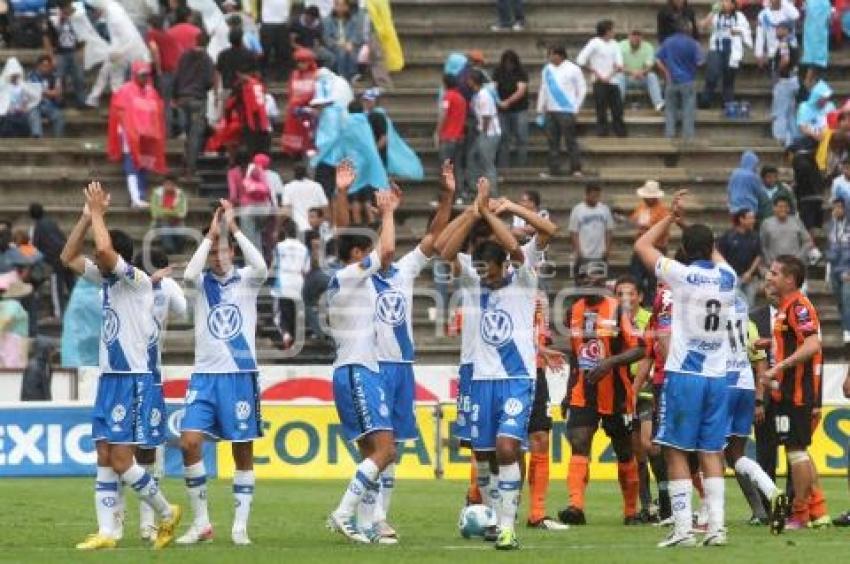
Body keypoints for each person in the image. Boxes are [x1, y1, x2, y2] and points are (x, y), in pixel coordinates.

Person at [60, 181, 181, 550]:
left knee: (121, 457)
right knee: (103, 453)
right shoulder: (106, 282)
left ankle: (165, 510)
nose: (95, 261)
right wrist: (85, 217)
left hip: (133, 379)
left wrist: (99, 214)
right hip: (109, 378)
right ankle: (108, 532)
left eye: (101, 258)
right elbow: (68, 256)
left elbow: (103, 249)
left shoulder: (136, 281)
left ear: (118, 257)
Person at [441, 177, 546, 550]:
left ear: (504, 264)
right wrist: (473, 212)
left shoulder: (524, 277)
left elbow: (533, 238)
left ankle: (507, 527)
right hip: (482, 379)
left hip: (516, 377)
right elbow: (445, 252)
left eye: (490, 269)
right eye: (480, 269)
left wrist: (492, 209)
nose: (484, 275)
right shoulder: (474, 282)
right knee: (483, 454)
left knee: (506, 448)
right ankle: (489, 515)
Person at [634, 189, 737, 547]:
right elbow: (717, 258)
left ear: (685, 251)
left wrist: (670, 217)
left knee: (676, 450)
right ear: (711, 248)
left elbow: (642, 246)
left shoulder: (680, 275)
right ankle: (717, 528)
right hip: (718, 376)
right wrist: (697, 232)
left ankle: (681, 530)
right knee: (711, 451)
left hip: (685, 375)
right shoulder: (729, 278)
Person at [177, 199, 269, 546]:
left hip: (239, 375)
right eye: (213, 252)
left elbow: (260, 264)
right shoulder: (202, 283)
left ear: (233, 250)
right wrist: (210, 236)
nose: (219, 256)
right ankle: (202, 523)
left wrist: (232, 229)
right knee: (189, 442)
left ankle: (239, 526)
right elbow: (187, 274)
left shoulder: (247, 279)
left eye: (223, 250)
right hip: (204, 376)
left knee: (241, 453)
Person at [325, 176, 398, 545]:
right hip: (357, 371)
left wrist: (340, 193)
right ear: (357, 256)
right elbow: (385, 252)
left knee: (372, 452)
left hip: (354, 371)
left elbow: (342, 234)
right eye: (362, 250)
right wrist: (387, 214)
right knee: (386, 450)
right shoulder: (349, 276)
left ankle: (368, 525)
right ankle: (342, 513)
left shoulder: (350, 278)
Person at [559, 262, 646, 526]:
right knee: (579, 441)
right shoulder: (572, 313)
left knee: (624, 451)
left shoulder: (617, 309)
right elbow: (575, 356)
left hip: (617, 394)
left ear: (602, 279)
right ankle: (576, 506)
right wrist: (567, 391)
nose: (589, 281)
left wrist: (609, 363)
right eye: (583, 277)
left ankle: (631, 511)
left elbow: (640, 349)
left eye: (594, 276)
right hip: (584, 392)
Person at [763, 255, 830, 529]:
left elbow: (812, 344)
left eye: (775, 273)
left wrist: (779, 366)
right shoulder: (786, 307)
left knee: (796, 452)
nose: (769, 276)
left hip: (798, 392)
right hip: (788, 391)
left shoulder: (799, 306)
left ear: (790, 280)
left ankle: (800, 514)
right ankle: (818, 509)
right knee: (797, 451)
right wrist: (769, 344)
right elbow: (792, 342)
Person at [135, 248, 188, 542]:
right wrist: (167, 284)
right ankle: (147, 522)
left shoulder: (126, 284)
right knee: (148, 450)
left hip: (127, 374)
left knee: (123, 448)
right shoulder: (166, 286)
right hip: (151, 374)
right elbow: (182, 310)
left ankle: (119, 522)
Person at [724, 294, 787, 532]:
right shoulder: (747, 322)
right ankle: (772, 492)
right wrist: (758, 399)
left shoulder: (707, 317)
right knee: (736, 455)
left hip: (721, 387)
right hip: (745, 387)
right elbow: (760, 364)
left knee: (708, 452)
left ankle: (709, 516)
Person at [106, 61, 167, 209]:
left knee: (144, 164)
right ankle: (135, 197)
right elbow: (119, 112)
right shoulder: (125, 91)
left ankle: (141, 194)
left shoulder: (151, 91)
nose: (145, 78)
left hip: (147, 135)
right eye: (142, 75)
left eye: (146, 75)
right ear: (134, 75)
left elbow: (157, 110)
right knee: (132, 163)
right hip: (130, 134)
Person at [84, 0, 151, 108]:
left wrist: (119, 52)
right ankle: (97, 99)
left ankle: (96, 98)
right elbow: (118, 36)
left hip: (131, 52)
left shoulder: (114, 15)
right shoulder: (112, 11)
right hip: (124, 50)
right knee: (111, 75)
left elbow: (129, 37)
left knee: (113, 76)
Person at [536, 44, 585, 178]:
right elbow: (543, 89)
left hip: (567, 110)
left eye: (552, 54)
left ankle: (576, 168)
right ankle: (553, 169)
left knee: (570, 141)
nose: (550, 57)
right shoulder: (547, 69)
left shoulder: (573, 69)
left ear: (560, 55)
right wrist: (540, 108)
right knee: (552, 142)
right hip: (551, 111)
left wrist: (576, 108)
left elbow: (581, 89)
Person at [793, 80, 834, 236]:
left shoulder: (829, 107)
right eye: (823, 98)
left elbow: (834, 121)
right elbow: (803, 126)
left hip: (826, 143)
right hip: (810, 144)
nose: (825, 101)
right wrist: (814, 134)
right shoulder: (805, 107)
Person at [173, 30, 215, 178]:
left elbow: (176, 76)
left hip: (182, 97)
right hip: (198, 99)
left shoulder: (184, 56)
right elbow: (210, 82)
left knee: (184, 132)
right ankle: (190, 168)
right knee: (195, 135)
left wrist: (175, 96)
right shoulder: (208, 60)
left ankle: (182, 161)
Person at [698, 0, 752, 109]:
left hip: (732, 50)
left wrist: (738, 31)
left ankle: (728, 104)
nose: (724, 3)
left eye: (727, 1)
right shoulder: (715, 14)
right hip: (716, 49)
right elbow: (702, 25)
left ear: (733, 5)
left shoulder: (739, 16)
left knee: (729, 79)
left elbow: (746, 31)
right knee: (712, 75)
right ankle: (705, 101)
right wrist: (712, 13)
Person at [655, 19, 704, 140]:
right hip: (688, 80)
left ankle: (669, 136)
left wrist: (666, 72)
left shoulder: (668, 42)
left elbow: (657, 59)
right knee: (688, 111)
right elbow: (700, 62)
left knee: (670, 111)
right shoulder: (694, 44)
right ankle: (688, 137)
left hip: (671, 80)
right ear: (688, 29)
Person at [577, 20, 626, 137]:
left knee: (618, 109)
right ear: (606, 31)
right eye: (612, 29)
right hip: (598, 81)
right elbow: (580, 60)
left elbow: (619, 64)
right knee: (601, 109)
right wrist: (596, 73)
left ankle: (620, 132)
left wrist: (609, 75)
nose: (614, 32)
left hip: (613, 81)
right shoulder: (594, 43)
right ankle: (602, 133)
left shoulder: (615, 44)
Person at [270, 217, 308, 350]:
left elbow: (274, 265)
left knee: (280, 313)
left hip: (283, 282)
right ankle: (293, 340)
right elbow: (306, 269)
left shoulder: (279, 247)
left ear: (284, 231)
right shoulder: (304, 248)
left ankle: (286, 336)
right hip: (298, 283)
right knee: (293, 312)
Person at [628, 180, 669, 304]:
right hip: (641, 247)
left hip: (656, 248)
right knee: (636, 277)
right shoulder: (641, 207)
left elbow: (662, 231)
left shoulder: (662, 211)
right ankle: (638, 302)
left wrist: (648, 228)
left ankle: (651, 305)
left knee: (653, 281)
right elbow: (634, 219)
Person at [29, 203, 73, 319]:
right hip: (66, 254)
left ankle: (59, 314)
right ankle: (77, 309)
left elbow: (35, 246)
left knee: (56, 287)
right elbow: (62, 237)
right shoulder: (52, 223)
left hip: (54, 260)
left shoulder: (37, 227)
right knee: (71, 284)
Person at [46, 0, 87, 109]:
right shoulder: (53, 19)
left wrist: (82, 51)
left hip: (75, 51)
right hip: (60, 52)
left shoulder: (78, 17)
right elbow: (46, 38)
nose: (69, 9)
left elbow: (84, 35)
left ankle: (81, 101)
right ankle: (59, 101)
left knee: (79, 78)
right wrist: (52, 56)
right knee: (59, 78)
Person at [146, 14, 181, 137]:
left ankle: (165, 132)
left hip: (165, 71)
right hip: (175, 71)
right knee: (171, 102)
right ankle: (175, 130)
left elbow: (154, 49)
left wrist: (158, 68)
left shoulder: (152, 34)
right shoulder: (168, 36)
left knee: (163, 104)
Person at [493, 49, 529, 168]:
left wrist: (507, 102)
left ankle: (521, 166)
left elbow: (521, 90)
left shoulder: (521, 72)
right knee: (503, 139)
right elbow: (493, 87)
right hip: (503, 111)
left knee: (522, 139)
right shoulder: (498, 72)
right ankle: (504, 167)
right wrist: (499, 102)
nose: (509, 65)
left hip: (519, 109)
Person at [718, 209, 762, 306]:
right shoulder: (728, 236)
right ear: (741, 219)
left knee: (750, 305)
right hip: (734, 277)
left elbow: (758, 255)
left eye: (753, 218)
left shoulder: (755, 236)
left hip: (750, 278)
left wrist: (749, 272)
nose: (753, 221)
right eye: (750, 218)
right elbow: (720, 255)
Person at [468, 70, 501, 195]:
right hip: (484, 132)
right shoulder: (478, 94)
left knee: (487, 163)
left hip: (489, 133)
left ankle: (493, 192)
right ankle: (476, 187)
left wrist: (484, 133)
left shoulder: (484, 95)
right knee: (473, 158)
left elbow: (486, 116)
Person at [281, 48, 318, 158]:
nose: (300, 64)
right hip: (294, 115)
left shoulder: (316, 75)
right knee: (295, 146)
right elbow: (290, 92)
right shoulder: (294, 75)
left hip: (308, 114)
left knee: (309, 144)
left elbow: (315, 94)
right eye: (298, 62)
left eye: (303, 61)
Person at [436, 74, 468, 198]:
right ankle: (459, 194)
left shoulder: (448, 97)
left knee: (445, 168)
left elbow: (443, 115)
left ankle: (445, 196)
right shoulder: (461, 98)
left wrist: (438, 132)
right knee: (458, 167)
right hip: (459, 137)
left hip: (448, 137)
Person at [768, 21, 800, 146]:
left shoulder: (784, 42)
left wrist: (777, 71)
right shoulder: (794, 41)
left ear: (786, 30)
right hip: (794, 80)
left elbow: (785, 60)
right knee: (791, 113)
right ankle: (794, 140)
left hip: (784, 81)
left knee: (779, 112)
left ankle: (780, 139)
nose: (777, 31)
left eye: (779, 29)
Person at [616, 29, 664, 112]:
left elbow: (649, 66)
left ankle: (658, 104)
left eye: (638, 35)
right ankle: (617, 105)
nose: (635, 38)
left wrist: (641, 72)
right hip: (627, 77)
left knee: (652, 76)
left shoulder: (648, 47)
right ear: (629, 36)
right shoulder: (620, 46)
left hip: (642, 77)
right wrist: (632, 72)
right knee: (619, 76)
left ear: (641, 37)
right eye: (633, 35)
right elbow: (618, 66)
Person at [569, 183, 614, 269]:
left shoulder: (604, 209)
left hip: (600, 253)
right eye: (593, 196)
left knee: (600, 278)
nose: (596, 199)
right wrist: (578, 250)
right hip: (584, 253)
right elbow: (574, 232)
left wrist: (607, 249)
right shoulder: (577, 210)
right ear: (587, 194)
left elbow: (609, 230)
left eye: (598, 196)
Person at [760, 195, 813, 265]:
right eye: (780, 207)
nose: (783, 209)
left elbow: (808, 242)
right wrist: (769, 261)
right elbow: (762, 246)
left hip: (794, 264)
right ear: (774, 208)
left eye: (786, 207)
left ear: (789, 208)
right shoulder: (766, 223)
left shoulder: (797, 221)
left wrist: (798, 257)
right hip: (775, 264)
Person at [277, 164, 328, 233]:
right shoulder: (317, 186)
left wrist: (278, 227)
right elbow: (325, 207)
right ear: (306, 173)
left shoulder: (288, 187)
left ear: (294, 174)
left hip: (298, 228)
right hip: (315, 227)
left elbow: (286, 210)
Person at [825, 198, 850, 342]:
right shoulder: (829, 226)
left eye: (840, 207)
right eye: (835, 207)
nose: (837, 210)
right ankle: (844, 324)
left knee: (847, 299)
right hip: (834, 268)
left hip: (847, 269)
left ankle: (847, 329)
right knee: (839, 300)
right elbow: (828, 247)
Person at [0, 58, 41, 138]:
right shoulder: (2, 85)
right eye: (13, 75)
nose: (15, 77)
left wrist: (24, 107)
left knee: (24, 119)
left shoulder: (22, 85)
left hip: (20, 111)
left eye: (16, 75)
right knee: (8, 121)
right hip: (7, 113)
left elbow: (31, 96)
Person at [323, 0, 363, 81]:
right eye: (337, 5)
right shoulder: (327, 20)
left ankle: (351, 75)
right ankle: (344, 77)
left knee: (350, 50)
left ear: (347, 7)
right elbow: (326, 38)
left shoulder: (353, 20)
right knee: (342, 52)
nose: (340, 8)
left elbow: (356, 35)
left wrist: (351, 43)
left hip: (349, 45)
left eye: (342, 5)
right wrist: (338, 44)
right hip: (334, 46)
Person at [754, 0, 800, 69]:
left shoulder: (787, 10)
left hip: (790, 49)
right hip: (773, 52)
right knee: (776, 76)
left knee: (792, 77)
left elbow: (796, 15)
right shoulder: (763, 14)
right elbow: (760, 35)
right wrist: (759, 53)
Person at [27, 54, 65, 138]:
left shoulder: (54, 76)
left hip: (50, 105)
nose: (46, 68)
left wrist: (48, 93)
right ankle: (38, 140)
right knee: (34, 115)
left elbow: (58, 93)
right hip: (35, 105)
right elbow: (36, 92)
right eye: (44, 65)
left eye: (48, 66)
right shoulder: (32, 75)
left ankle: (58, 141)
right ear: (38, 66)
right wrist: (51, 93)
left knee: (59, 116)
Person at [150, 174, 188, 254]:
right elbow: (155, 212)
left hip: (177, 221)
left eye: (171, 184)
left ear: (175, 185)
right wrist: (172, 212)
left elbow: (182, 213)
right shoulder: (156, 193)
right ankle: (169, 250)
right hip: (160, 221)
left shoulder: (181, 194)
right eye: (166, 184)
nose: (168, 186)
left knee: (181, 235)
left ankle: (178, 252)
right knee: (165, 225)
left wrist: (165, 211)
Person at [0, 275, 30, 369]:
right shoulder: (13, 305)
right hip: (13, 341)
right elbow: (6, 320)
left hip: (9, 339)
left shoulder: (8, 305)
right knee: (14, 368)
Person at [259, 0, 292, 82]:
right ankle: (262, 75)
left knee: (282, 52)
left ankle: (282, 77)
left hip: (282, 23)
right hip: (267, 22)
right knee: (265, 52)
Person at [800, 0, 830, 87]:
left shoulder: (812, 2)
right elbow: (828, 19)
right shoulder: (824, 2)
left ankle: (809, 82)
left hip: (813, 31)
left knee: (814, 58)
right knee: (815, 59)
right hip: (817, 32)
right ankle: (808, 82)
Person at [727, 150, 765, 215]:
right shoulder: (753, 176)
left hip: (734, 207)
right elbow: (759, 191)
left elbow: (729, 189)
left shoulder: (734, 173)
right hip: (749, 207)